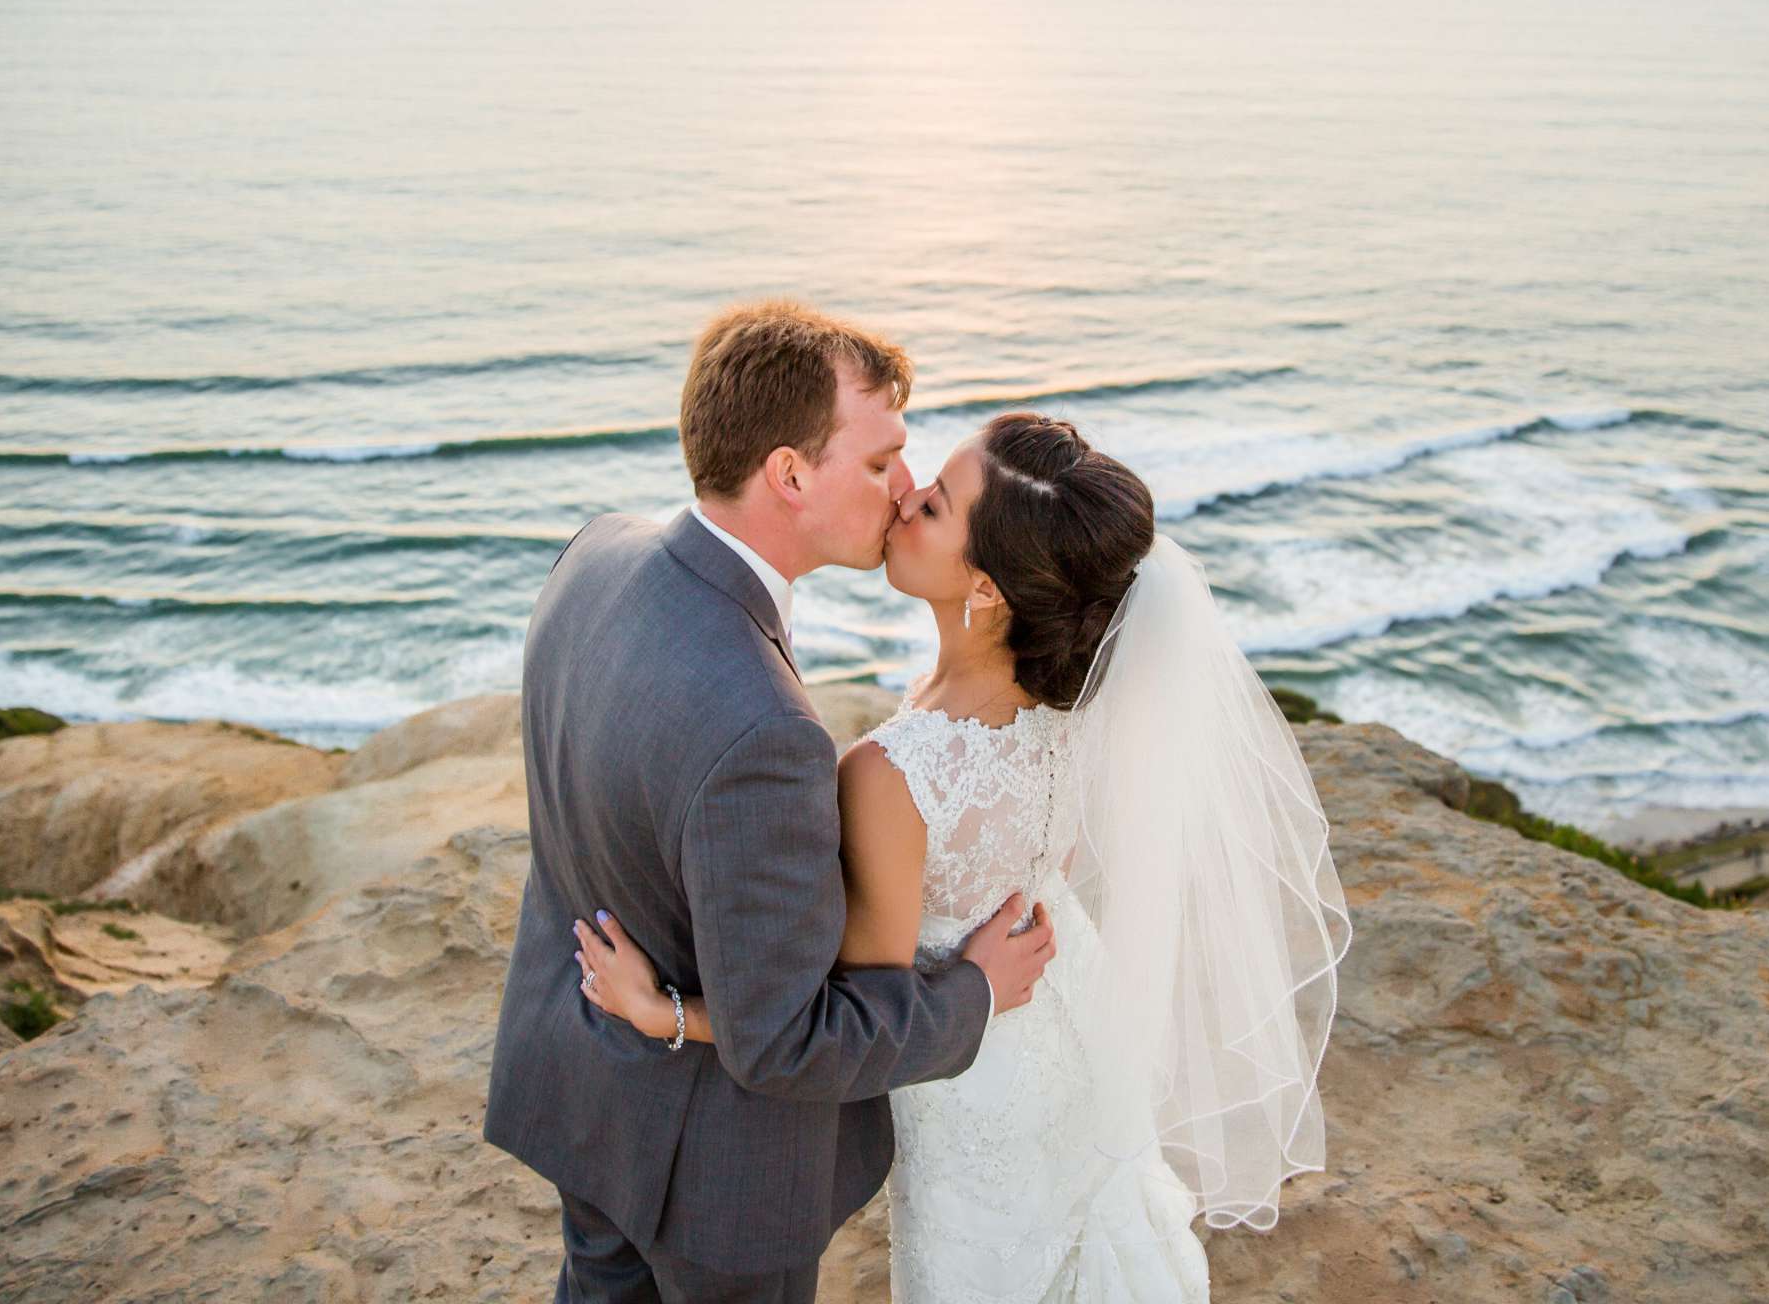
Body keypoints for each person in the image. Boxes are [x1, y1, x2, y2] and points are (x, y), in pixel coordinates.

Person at [578, 407, 1354, 1301]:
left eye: (936, 506)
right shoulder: (1071, 707)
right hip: (1070, 1030)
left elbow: (848, 1017)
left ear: (984, 589)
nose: (904, 498)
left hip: (974, 1086)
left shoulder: (892, 776)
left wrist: (667, 1012)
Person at [484, 300, 1058, 1304]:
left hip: (581, 1086)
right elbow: (783, 1039)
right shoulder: (768, 733)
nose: (906, 487)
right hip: (717, 1178)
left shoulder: (597, 552)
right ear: (790, 474)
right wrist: (973, 991)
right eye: (880, 462)